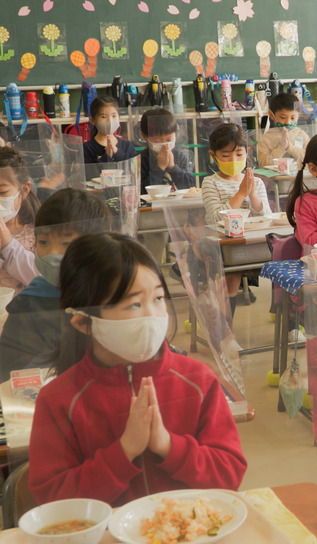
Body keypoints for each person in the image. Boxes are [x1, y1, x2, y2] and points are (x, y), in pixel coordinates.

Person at [28, 232, 247, 506]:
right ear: (83, 322)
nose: (153, 317)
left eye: (157, 299)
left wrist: (168, 445)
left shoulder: (197, 379)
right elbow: (51, 500)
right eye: (133, 304)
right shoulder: (58, 400)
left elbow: (229, 475)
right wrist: (123, 452)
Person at [0, 188, 109, 381]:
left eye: (66, 244)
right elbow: (10, 372)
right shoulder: (29, 303)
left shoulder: (113, 297)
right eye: (43, 242)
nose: (52, 253)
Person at [201, 123, 271, 313]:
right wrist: (240, 194)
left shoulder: (255, 181)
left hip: (253, 243)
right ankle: (226, 333)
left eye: (239, 154)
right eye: (225, 155)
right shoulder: (210, 183)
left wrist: (252, 194)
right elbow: (216, 217)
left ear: (247, 153)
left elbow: (265, 217)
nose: (233, 159)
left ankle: (288, 322)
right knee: (231, 275)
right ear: (213, 156)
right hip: (227, 245)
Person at [0, 147, 41, 292]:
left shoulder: (39, 231)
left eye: (2, 192)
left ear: (24, 190)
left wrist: (7, 244)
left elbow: (45, 280)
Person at [138, 107, 194, 193]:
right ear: (145, 137)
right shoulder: (141, 159)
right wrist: (160, 168)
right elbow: (141, 191)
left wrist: (173, 166)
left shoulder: (179, 156)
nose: (165, 145)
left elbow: (191, 186)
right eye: (157, 141)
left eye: (168, 139)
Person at [82, 97, 137, 176]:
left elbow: (134, 172)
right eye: (103, 117)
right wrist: (106, 156)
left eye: (114, 116)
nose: (110, 121)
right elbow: (88, 175)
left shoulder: (127, 146)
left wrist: (117, 153)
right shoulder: (86, 149)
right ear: (93, 120)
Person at [257, 93, 311, 168]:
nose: (288, 122)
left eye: (292, 118)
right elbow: (263, 164)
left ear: (298, 116)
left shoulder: (301, 134)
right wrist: (281, 148)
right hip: (275, 179)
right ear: (272, 115)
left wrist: (289, 147)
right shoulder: (266, 139)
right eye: (283, 117)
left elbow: (311, 158)